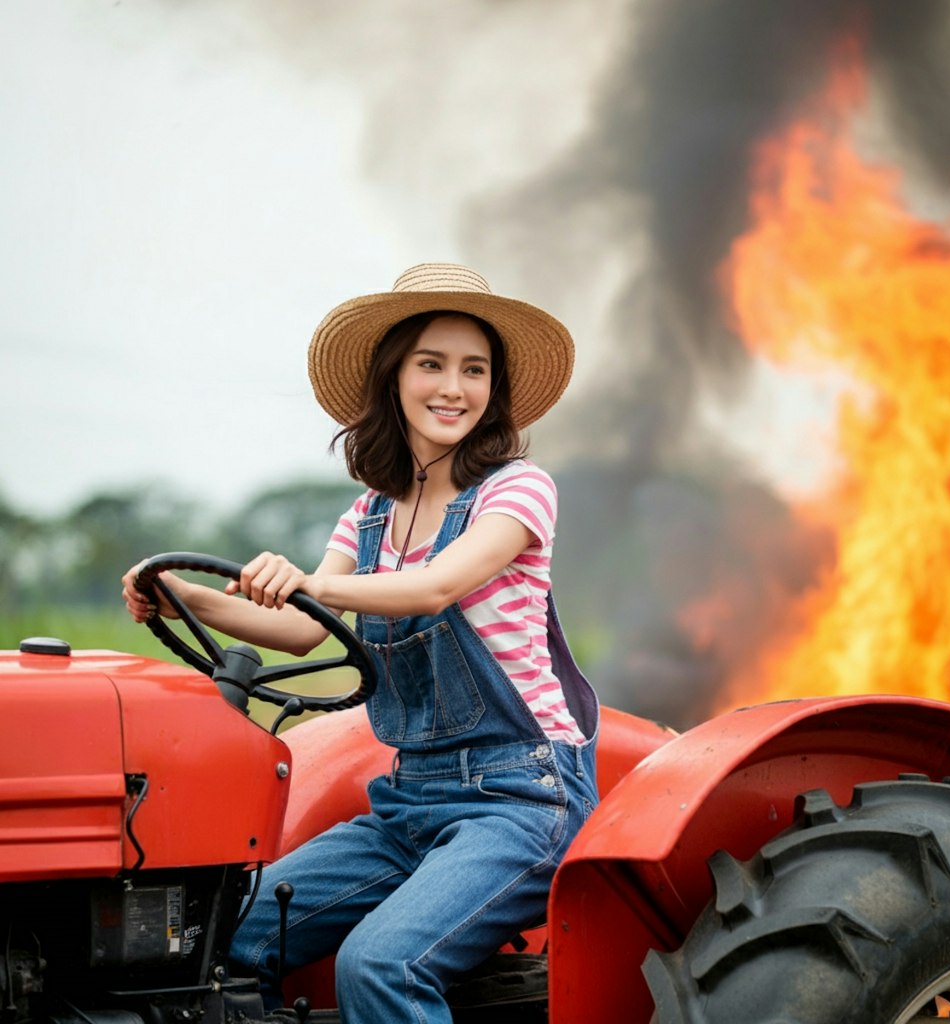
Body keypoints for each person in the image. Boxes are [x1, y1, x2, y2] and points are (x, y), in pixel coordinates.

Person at [121, 262, 600, 1023]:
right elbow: (304, 628)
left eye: (474, 369)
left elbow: (435, 586)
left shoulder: (517, 489)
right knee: (221, 937)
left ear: (494, 389)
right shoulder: (371, 514)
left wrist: (309, 582)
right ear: (394, 379)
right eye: (431, 364)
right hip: (410, 800)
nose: (454, 387)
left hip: (520, 797)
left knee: (381, 965)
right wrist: (184, 599)